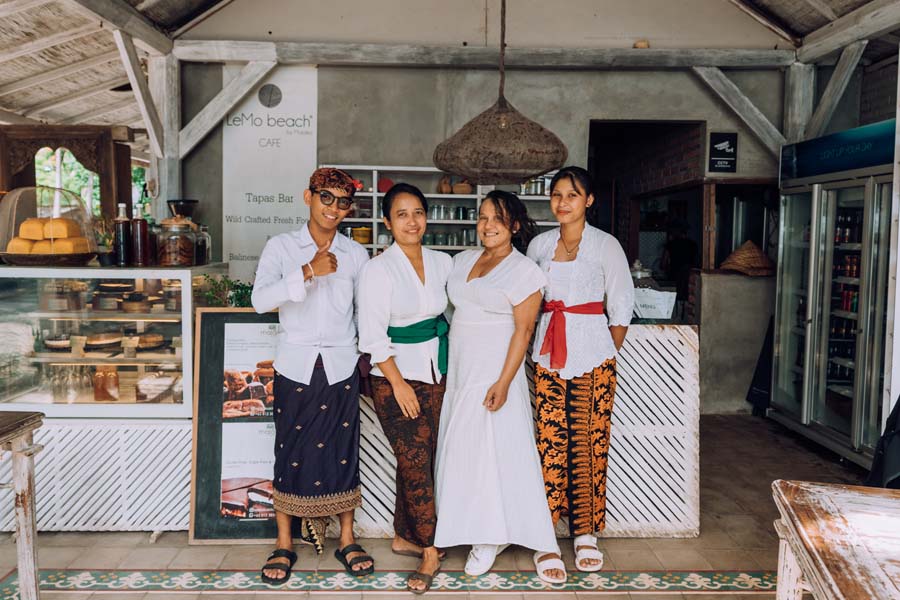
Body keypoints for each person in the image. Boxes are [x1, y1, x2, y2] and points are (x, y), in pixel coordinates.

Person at [434, 191, 566, 584]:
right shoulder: (462, 261)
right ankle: (473, 524)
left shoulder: (524, 271)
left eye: (498, 218)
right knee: (465, 449)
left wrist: (504, 382)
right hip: (462, 370)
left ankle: (489, 537)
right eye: (483, 217)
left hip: (495, 372)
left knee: (493, 453)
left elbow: (523, 331)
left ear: (515, 225)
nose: (488, 225)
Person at [251, 167, 374, 584]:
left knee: (343, 449)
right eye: (326, 198)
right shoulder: (282, 247)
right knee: (290, 450)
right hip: (296, 364)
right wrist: (307, 270)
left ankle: (347, 538)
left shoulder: (356, 255)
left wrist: (368, 357)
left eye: (343, 202)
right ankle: (284, 542)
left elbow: (363, 312)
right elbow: (260, 300)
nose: (334, 208)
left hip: (341, 364)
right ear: (309, 197)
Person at [526, 166, 634, 573]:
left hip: (594, 356)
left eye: (572, 195)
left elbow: (621, 303)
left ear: (588, 200)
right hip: (547, 356)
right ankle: (545, 533)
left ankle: (585, 533)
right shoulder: (539, 245)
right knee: (550, 441)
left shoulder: (606, 245)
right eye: (557, 195)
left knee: (590, 441)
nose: (563, 202)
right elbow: (527, 298)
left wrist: (603, 350)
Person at [357, 183, 452, 595]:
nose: (411, 222)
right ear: (387, 222)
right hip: (394, 377)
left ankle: (403, 536)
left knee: (423, 458)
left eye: (418, 213)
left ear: (426, 217)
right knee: (414, 460)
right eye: (401, 214)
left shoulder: (443, 262)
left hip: (436, 372)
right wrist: (398, 384)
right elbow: (372, 336)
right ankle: (429, 550)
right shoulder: (378, 270)